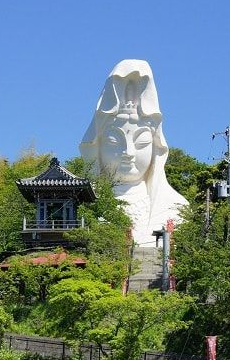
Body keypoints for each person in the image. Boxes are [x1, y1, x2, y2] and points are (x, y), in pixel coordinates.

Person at [79, 59, 188, 245]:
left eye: (142, 141)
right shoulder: (81, 207)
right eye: (114, 140)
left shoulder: (175, 207)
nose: (128, 152)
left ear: (156, 147)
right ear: (97, 146)